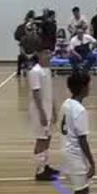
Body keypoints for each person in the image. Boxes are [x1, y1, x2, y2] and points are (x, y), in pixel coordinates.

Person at [26, 41, 60, 183]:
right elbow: (36, 94)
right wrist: (42, 113)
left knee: (48, 137)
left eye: (50, 52)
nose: (49, 55)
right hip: (40, 110)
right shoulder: (35, 71)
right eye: (46, 53)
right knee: (41, 139)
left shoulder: (47, 70)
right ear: (39, 54)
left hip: (48, 108)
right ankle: (39, 170)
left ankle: (45, 165)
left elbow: (49, 93)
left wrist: (53, 109)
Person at [14, 11, 36, 76]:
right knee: (21, 55)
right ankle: (21, 69)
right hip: (25, 47)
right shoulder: (21, 27)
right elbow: (17, 36)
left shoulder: (35, 27)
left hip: (32, 47)